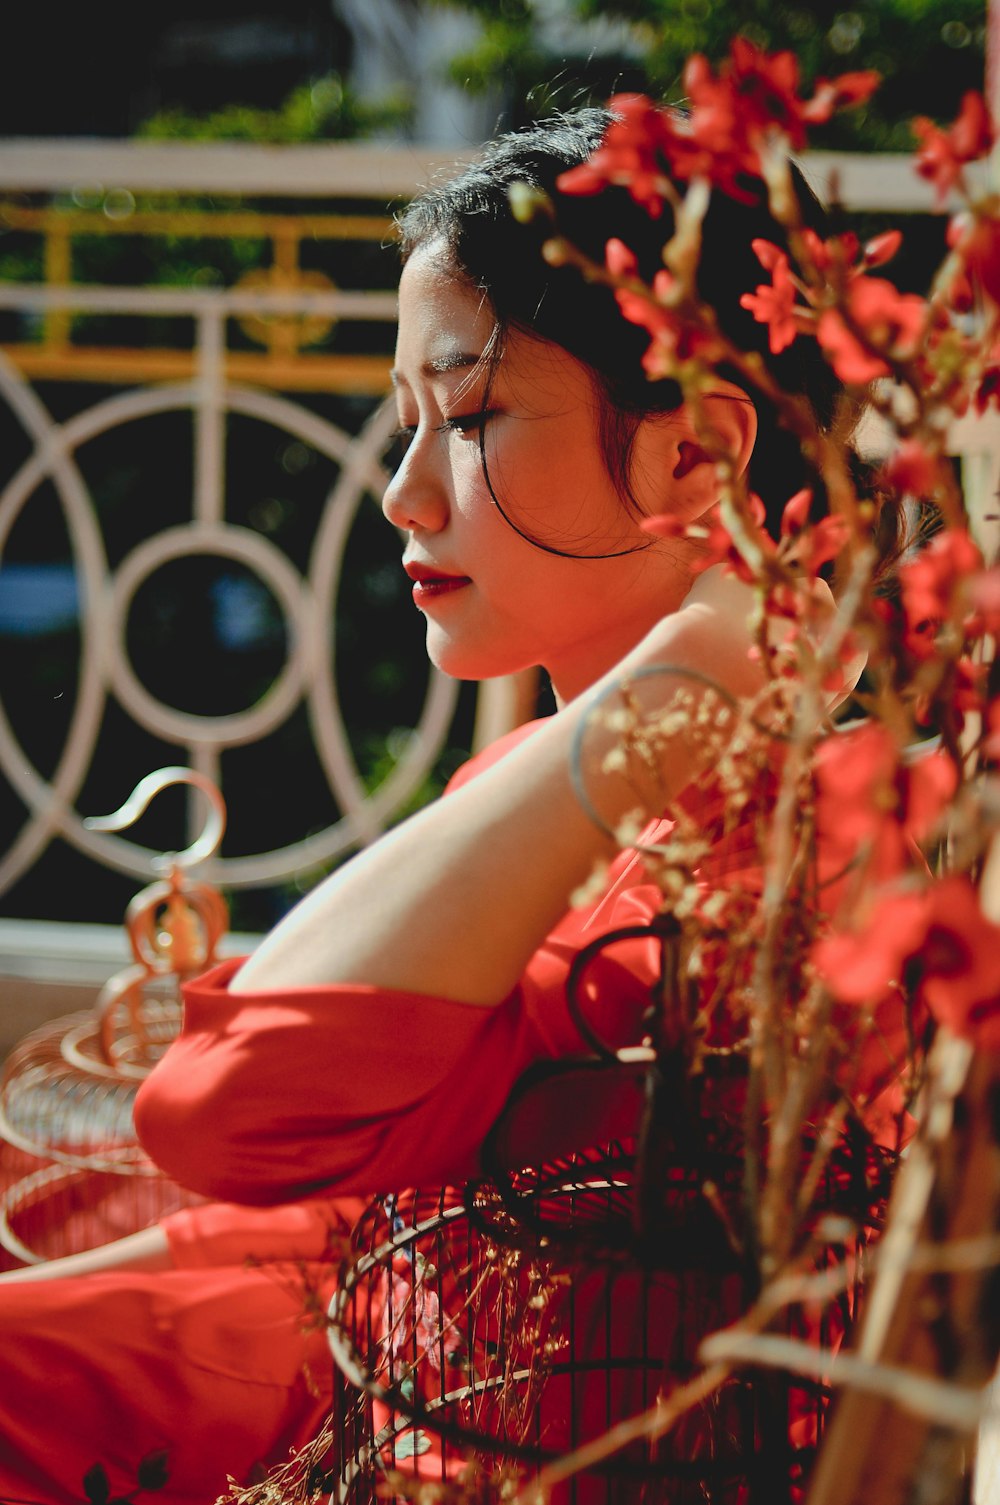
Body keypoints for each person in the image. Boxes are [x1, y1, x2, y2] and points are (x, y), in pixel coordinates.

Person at [0, 109, 905, 1503]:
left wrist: (685, 676)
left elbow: (223, 1106)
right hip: (346, 1342)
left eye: (469, 417)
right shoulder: (582, 784)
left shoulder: (785, 856)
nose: (401, 492)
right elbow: (324, 1203)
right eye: (404, 421)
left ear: (694, 458)